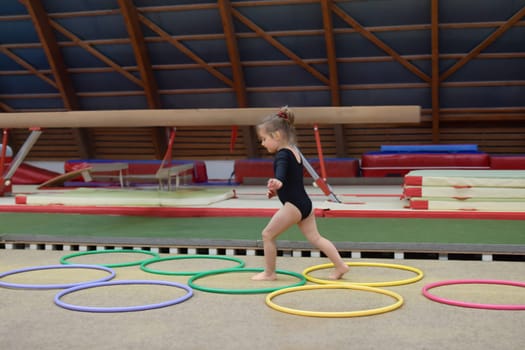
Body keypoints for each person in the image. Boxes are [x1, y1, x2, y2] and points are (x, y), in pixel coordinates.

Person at [251, 106, 350, 281]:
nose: (263, 143)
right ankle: (340, 266)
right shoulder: (294, 151)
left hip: (293, 206)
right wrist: (277, 189)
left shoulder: (282, 154)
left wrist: (278, 182)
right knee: (316, 237)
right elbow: (292, 179)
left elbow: (282, 173)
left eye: (264, 139)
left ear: (277, 135)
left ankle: (269, 273)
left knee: (267, 235)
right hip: (305, 204)